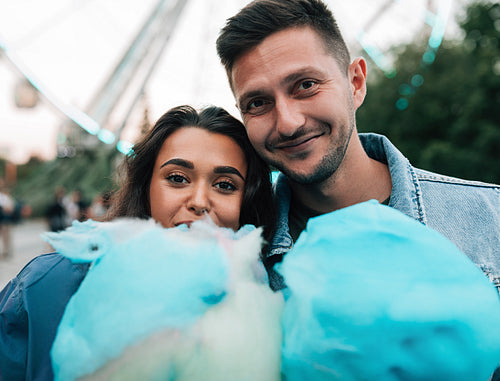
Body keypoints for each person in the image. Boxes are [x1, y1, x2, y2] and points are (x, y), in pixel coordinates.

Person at [216, 0, 500, 292]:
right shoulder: (236, 259)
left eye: (306, 85)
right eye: (258, 103)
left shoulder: (490, 219)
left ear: (356, 83)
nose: (288, 124)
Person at [0, 105, 275, 380]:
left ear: (246, 202)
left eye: (225, 185)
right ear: (146, 189)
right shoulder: (48, 286)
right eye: (177, 179)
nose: (200, 202)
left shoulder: (266, 305)